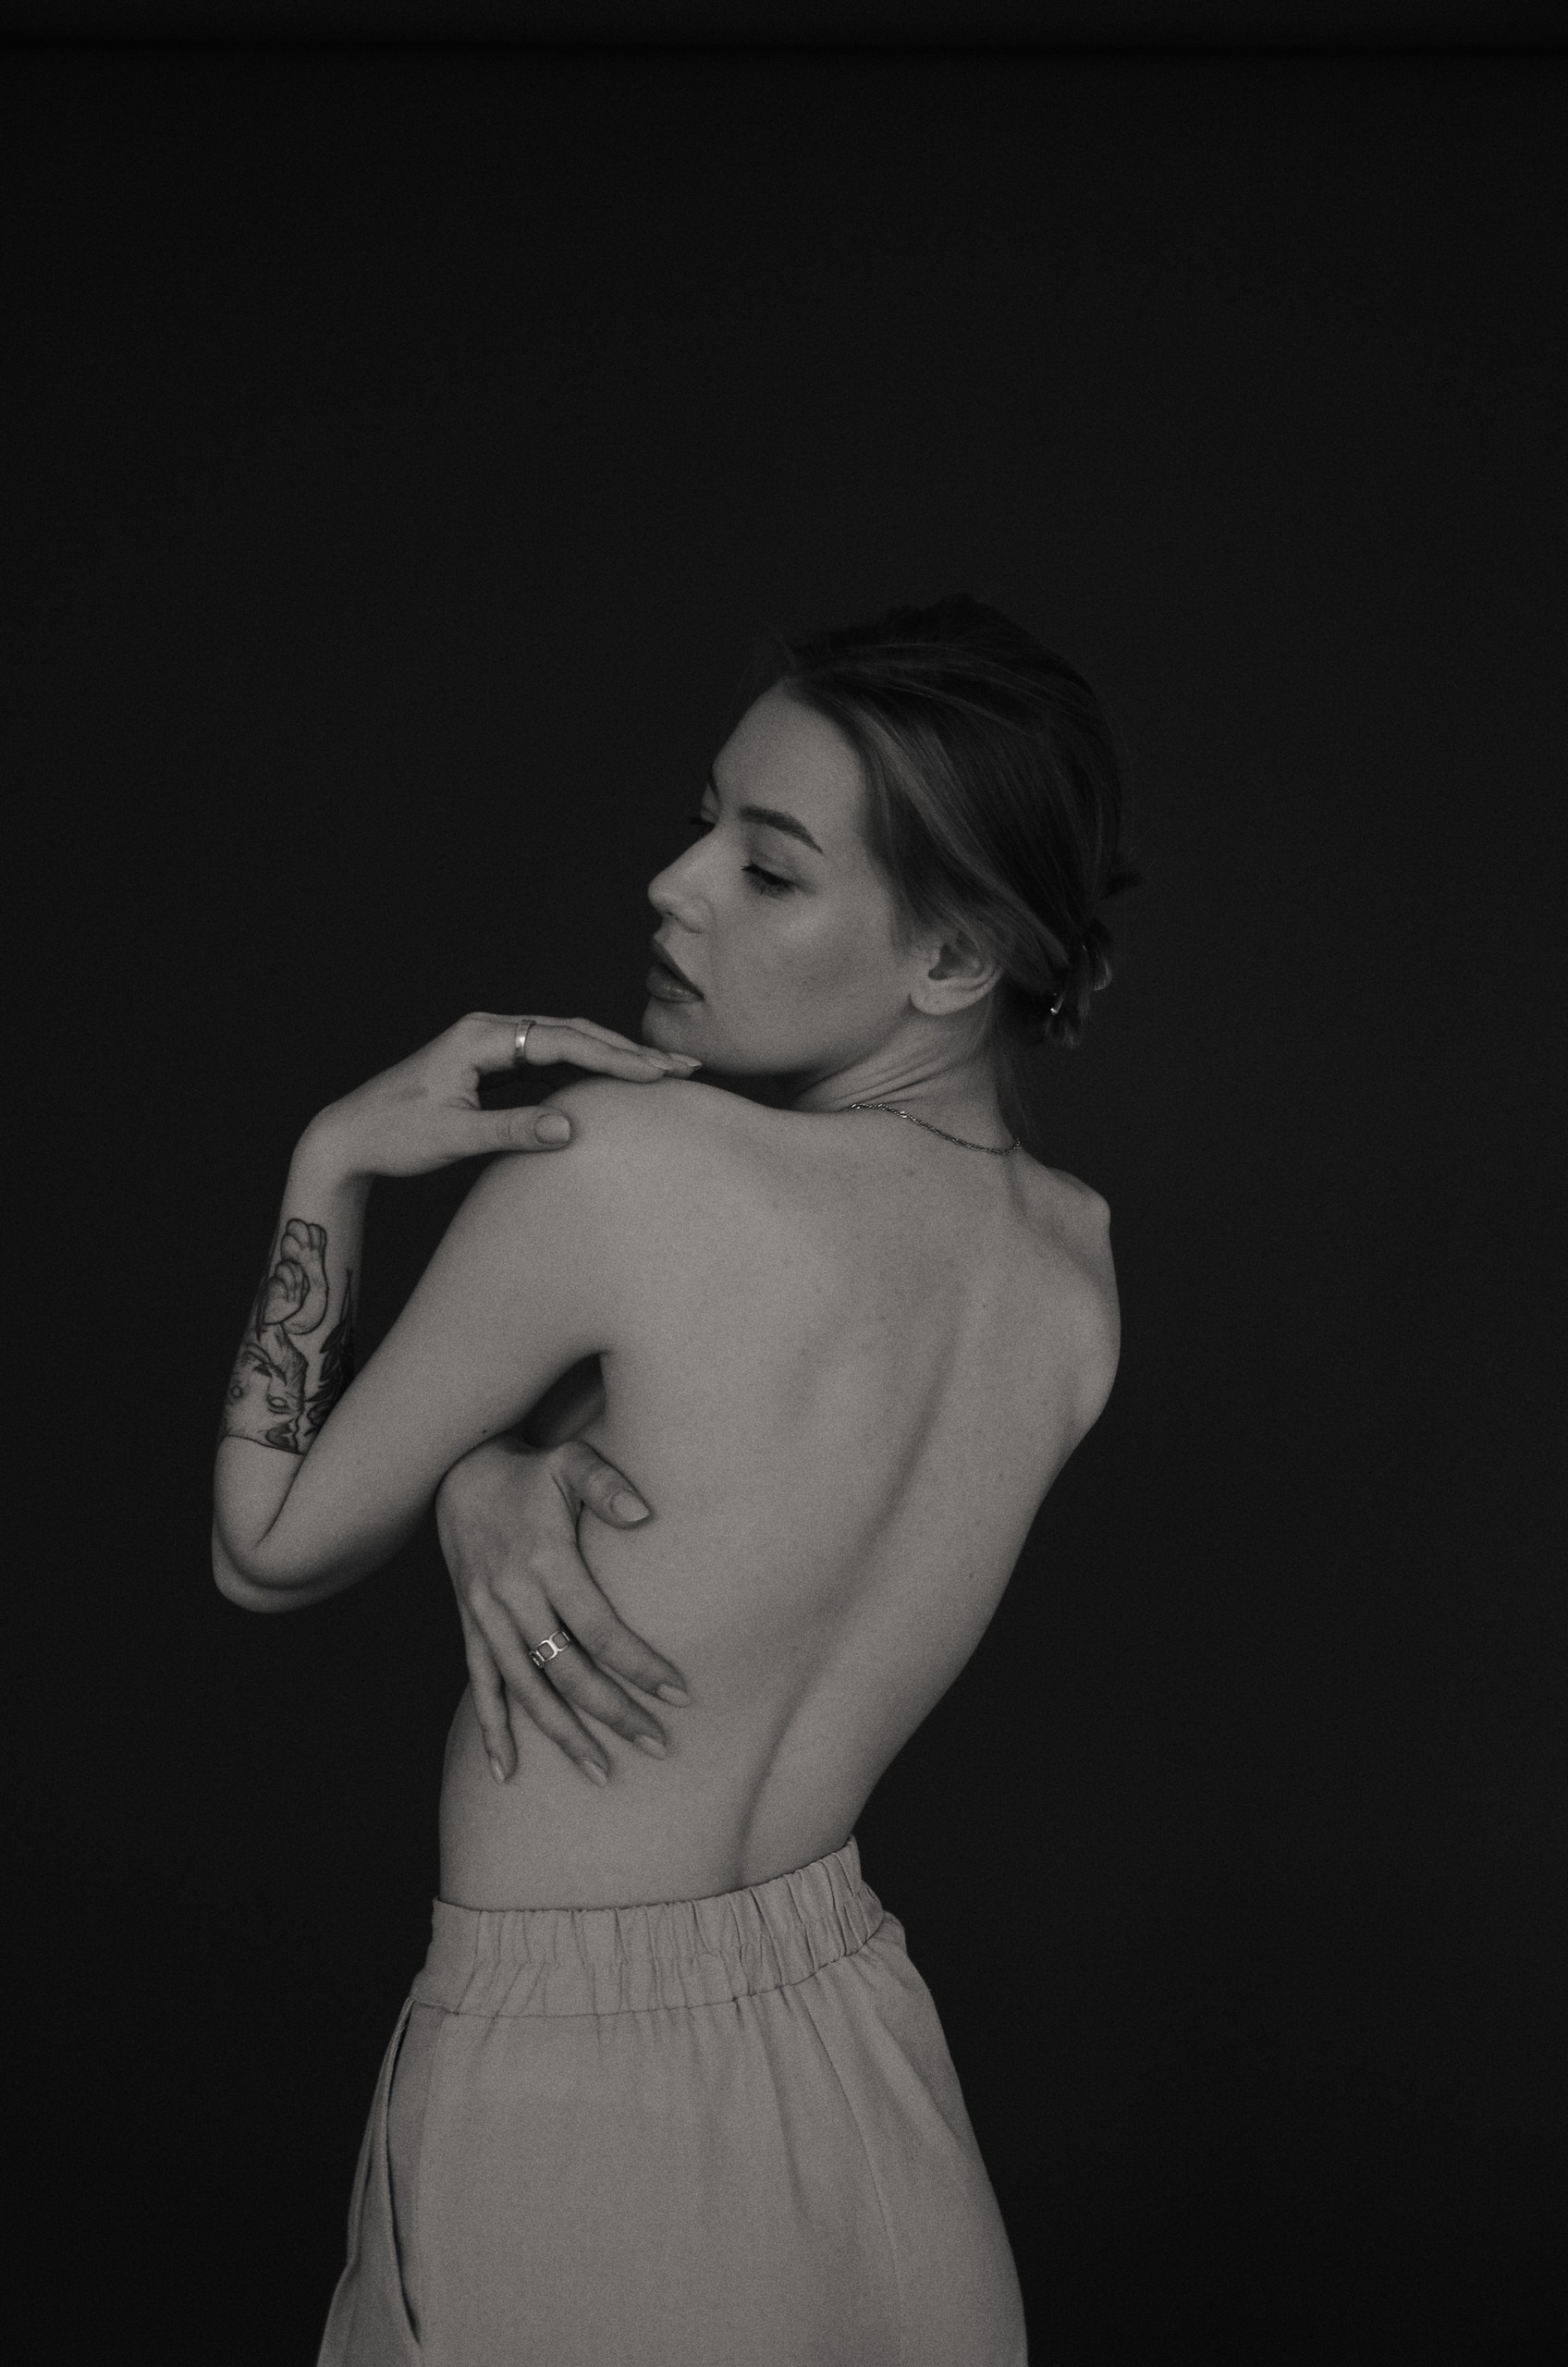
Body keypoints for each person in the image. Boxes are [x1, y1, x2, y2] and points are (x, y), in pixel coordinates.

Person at [212, 595, 1138, 2366]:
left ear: (954, 958)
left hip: (576, 2109)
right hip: (869, 2081)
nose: (675, 884)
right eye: (703, 822)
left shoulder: (625, 1169)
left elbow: (266, 1547)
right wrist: (491, 1470)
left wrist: (334, 1158)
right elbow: (746, 1505)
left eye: (768, 868)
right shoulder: (1074, 1276)